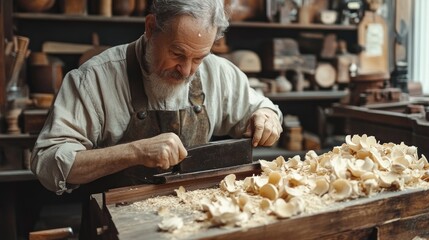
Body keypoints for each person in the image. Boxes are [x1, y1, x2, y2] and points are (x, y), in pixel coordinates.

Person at [30, 0, 283, 195]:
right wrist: (133, 152)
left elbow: (261, 107)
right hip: (119, 222)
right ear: (151, 28)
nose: (186, 71)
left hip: (193, 217)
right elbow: (48, 163)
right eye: (177, 53)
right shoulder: (94, 79)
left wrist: (266, 116)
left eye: (198, 58)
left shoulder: (217, 72)